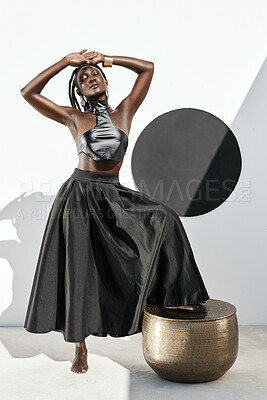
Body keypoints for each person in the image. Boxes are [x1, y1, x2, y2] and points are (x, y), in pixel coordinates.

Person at [21, 49, 210, 374]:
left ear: (106, 80)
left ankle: (176, 295)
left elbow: (147, 69)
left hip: (113, 193)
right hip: (80, 196)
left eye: (94, 74)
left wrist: (106, 57)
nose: (90, 77)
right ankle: (80, 347)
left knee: (165, 218)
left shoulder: (125, 111)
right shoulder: (74, 118)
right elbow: (29, 92)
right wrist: (66, 63)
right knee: (80, 269)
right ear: (79, 92)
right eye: (83, 78)